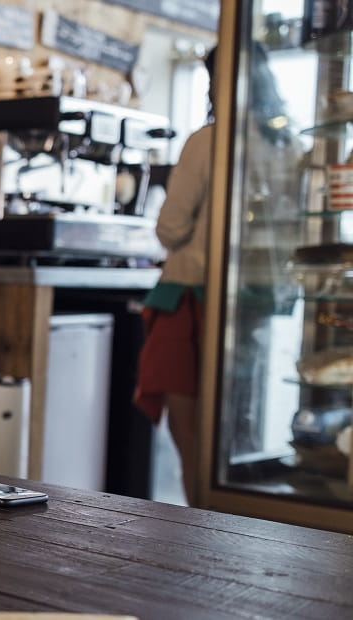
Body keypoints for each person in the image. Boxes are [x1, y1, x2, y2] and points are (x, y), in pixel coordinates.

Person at [134, 44, 299, 505]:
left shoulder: (209, 141)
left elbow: (169, 229)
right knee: (237, 434)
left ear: (217, 81)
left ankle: (199, 530)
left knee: (194, 438)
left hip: (191, 300)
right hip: (256, 303)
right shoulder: (288, 144)